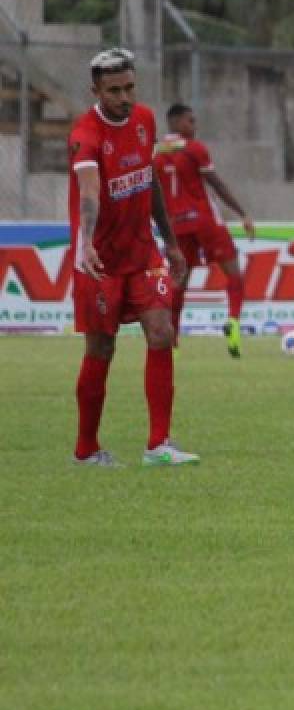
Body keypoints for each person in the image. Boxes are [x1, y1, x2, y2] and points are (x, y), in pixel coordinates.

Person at [69, 48, 198, 466]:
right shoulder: (85, 135)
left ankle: (159, 445)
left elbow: (150, 180)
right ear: (96, 91)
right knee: (101, 349)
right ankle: (86, 449)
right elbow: (89, 193)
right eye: (113, 91)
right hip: (99, 260)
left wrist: (172, 242)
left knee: (161, 332)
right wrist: (85, 241)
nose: (124, 97)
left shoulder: (144, 119)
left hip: (143, 254)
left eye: (129, 87)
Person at [153, 103, 256, 358]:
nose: (194, 127)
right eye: (190, 121)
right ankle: (233, 320)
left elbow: (151, 194)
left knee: (180, 282)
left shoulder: (154, 153)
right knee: (234, 275)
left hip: (175, 225)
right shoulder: (194, 149)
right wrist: (242, 213)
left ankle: (172, 337)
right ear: (175, 122)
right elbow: (217, 185)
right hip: (205, 220)